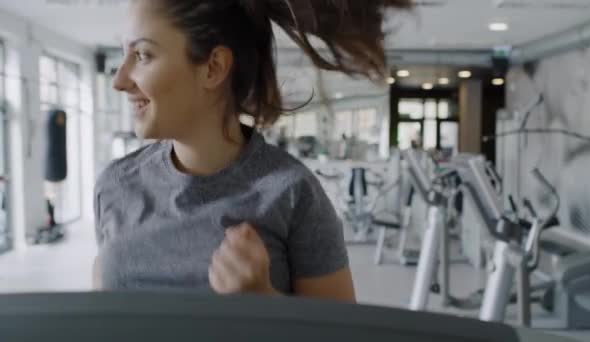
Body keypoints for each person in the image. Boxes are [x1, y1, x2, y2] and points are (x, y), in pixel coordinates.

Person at [93, 0, 412, 300]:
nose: (119, 80)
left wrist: (265, 304)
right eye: (124, 54)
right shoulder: (114, 185)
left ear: (213, 68)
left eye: (143, 55)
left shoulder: (294, 195)